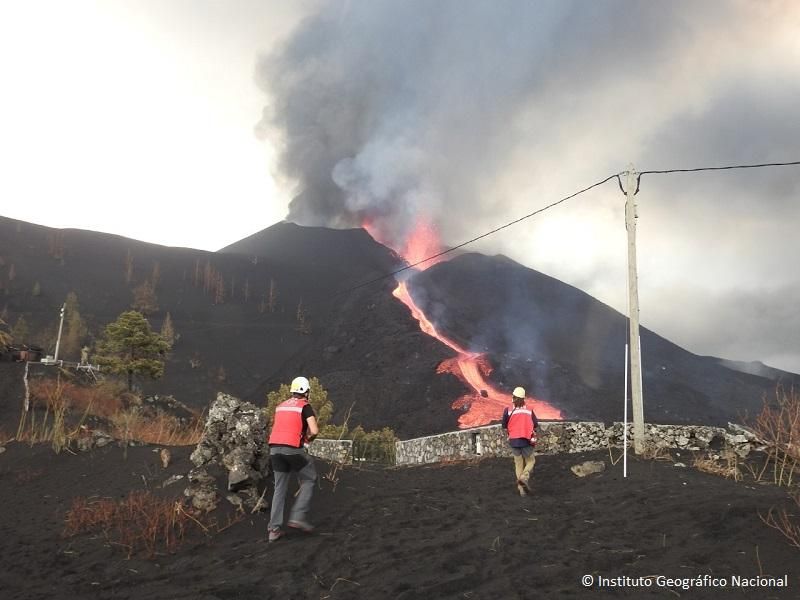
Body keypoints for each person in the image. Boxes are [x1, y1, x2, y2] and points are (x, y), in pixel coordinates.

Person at [267, 376, 320, 542]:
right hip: (293, 449)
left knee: (279, 488)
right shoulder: (305, 407)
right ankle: (297, 517)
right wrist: (308, 440)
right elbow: (315, 430)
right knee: (309, 478)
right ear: (306, 391)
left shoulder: (280, 406)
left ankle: (273, 530)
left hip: (274, 449)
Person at [501, 386, 539, 496]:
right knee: (531, 461)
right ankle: (524, 477)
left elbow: (504, 425)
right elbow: (535, 424)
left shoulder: (508, 410)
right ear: (523, 398)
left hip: (513, 440)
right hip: (526, 440)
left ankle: (521, 489)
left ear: (513, 397)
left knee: (518, 464)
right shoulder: (529, 409)